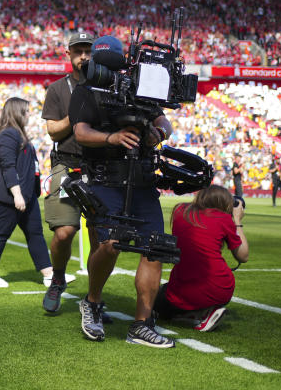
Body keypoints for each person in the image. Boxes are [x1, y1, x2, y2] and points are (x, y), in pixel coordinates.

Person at [69, 35, 176, 348]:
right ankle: (92, 301)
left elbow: (164, 121)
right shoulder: (86, 91)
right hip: (105, 179)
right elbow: (80, 132)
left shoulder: (141, 90)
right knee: (111, 243)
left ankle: (142, 323)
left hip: (141, 179)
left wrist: (158, 134)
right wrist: (112, 138)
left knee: (154, 248)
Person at [40, 32, 93, 312]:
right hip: (66, 162)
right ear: (69, 54)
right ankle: (58, 278)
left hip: (100, 166)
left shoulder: (107, 86)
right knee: (64, 232)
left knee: (102, 238)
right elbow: (52, 131)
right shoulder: (58, 89)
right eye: (78, 51)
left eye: (88, 51)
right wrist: (77, 113)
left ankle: (94, 298)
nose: (83, 56)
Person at [153, 186, 248, 332]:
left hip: (183, 286)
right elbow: (243, 255)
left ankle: (193, 314)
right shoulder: (223, 219)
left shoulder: (180, 211)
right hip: (221, 287)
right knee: (174, 297)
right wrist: (236, 219)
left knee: (159, 301)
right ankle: (202, 312)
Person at [0, 97, 53, 288]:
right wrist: (17, 194)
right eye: (27, 111)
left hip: (27, 195)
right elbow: (8, 166)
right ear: (18, 112)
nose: (29, 114)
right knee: (0, 233)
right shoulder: (7, 134)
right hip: (11, 196)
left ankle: (49, 274)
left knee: (35, 233)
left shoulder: (18, 134)